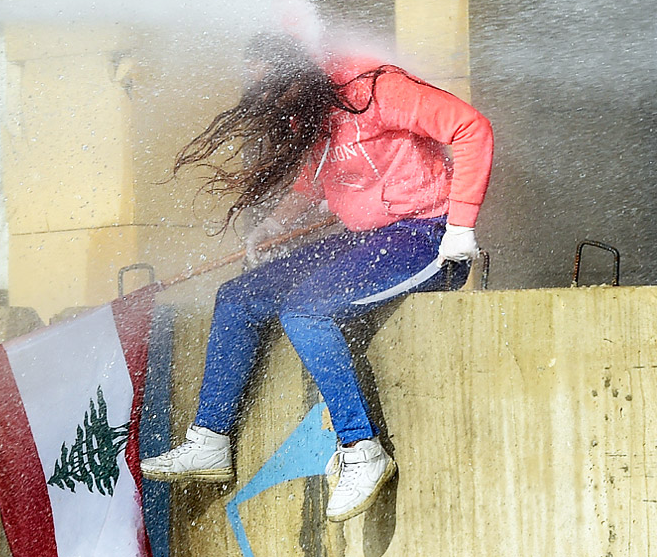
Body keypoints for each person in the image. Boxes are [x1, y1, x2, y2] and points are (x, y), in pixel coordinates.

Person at [140, 34, 493, 522]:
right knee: (238, 297)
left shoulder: (376, 89)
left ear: (298, 76)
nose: (266, 99)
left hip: (425, 232)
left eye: (272, 88)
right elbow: (317, 179)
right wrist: (275, 223)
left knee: (306, 309)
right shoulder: (313, 113)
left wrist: (460, 226)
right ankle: (210, 442)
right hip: (366, 237)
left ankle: (362, 450)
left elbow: (470, 128)